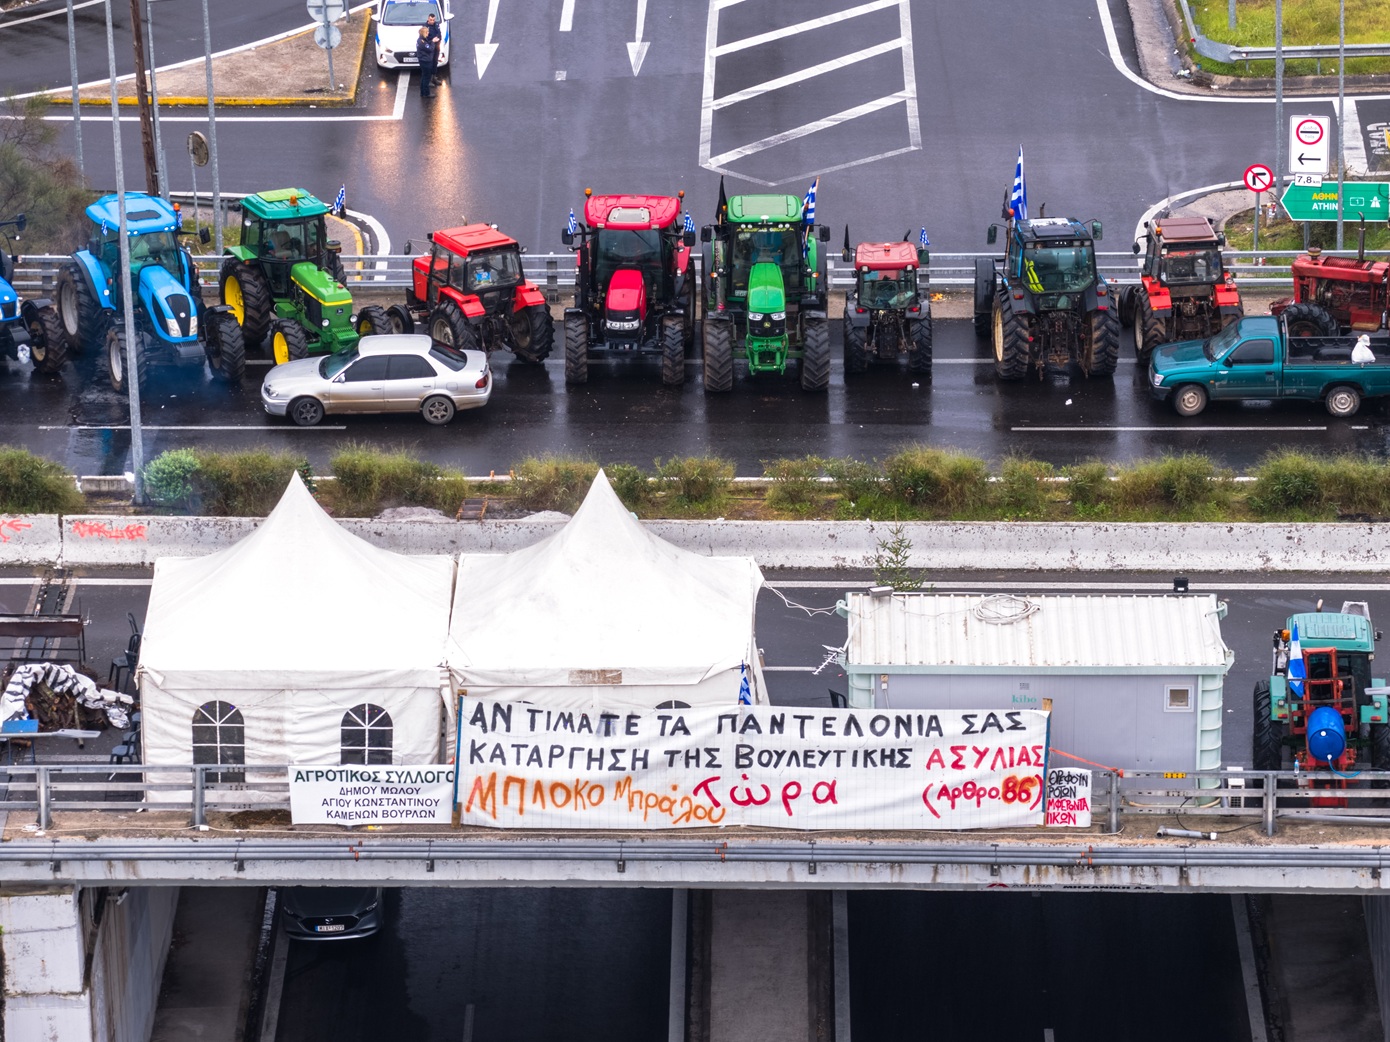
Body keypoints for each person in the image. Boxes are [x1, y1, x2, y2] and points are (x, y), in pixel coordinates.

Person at [416, 27, 438, 98]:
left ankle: (423, 92)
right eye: (427, 32)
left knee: (424, 76)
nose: (428, 33)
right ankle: (426, 93)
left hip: (423, 60)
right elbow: (430, 49)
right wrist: (433, 42)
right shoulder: (422, 42)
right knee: (426, 78)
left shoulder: (421, 40)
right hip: (426, 61)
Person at [424, 11, 442, 87]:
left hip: (436, 47)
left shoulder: (436, 25)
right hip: (430, 48)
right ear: (428, 19)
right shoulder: (425, 27)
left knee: (435, 62)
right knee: (429, 64)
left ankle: (434, 77)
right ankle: (429, 80)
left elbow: (439, 34)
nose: (432, 21)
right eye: (431, 20)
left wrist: (438, 38)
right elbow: (425, 38)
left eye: (433, 20)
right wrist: (432, 41)